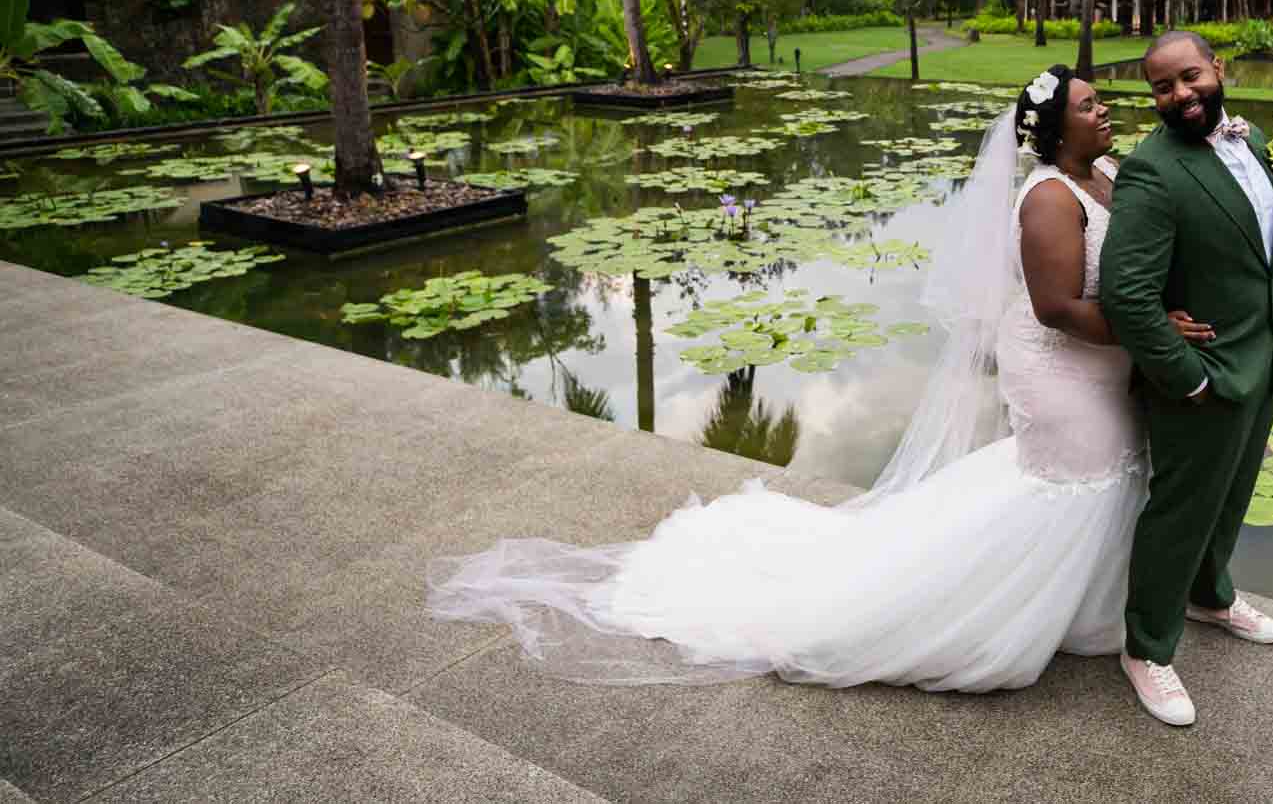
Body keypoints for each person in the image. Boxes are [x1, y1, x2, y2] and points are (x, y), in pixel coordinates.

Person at [427, 65, 1211, 692]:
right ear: (1050, 128)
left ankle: (1097, 605)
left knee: (1109, 472)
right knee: (1075, 475)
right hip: (1061, 364)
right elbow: (1057, 309)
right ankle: (1008, 611)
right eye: (1090, 104)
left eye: (1104, 100)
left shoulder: (1109, 168)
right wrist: (1154, 331)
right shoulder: (1047, 197)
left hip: (1109, 361)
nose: (1107, 110)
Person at [1099, 29, 1273, 727]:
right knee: (1180, 509)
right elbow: (1129, 293)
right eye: (1163, 86)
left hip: (1263, 360)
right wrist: (1186, 378)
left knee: (1233, 492)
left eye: (1189, 77)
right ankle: (1146, 647)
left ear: (1218, 69)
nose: (1180, 94)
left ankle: (1211, 595)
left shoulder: (1256, 141)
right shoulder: (1151, 170)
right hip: (1204, 375)